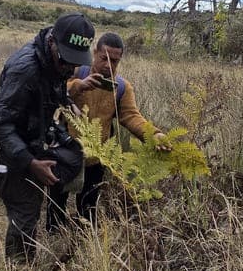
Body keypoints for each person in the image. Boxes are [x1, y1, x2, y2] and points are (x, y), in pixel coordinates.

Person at [0, 12, 95, 263]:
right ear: (52, 42)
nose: (69, 68)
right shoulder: (25, 70)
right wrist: (31, 163)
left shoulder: (56, 61)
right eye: (66, 60)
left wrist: (67, 102)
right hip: (8, 147)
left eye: (75, 62)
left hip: (34, 139)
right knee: (24, 212)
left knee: (70, 160)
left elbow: (54, 87)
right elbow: (0, 124)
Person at [46, 32, 168, 231]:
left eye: (115, 61)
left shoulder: (121, 88)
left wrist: (154, 134)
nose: (108, 65)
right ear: (95, 52)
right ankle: (54, 236)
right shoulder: (75, 71)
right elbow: (53, 92)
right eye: (104, 58)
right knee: (57, 199)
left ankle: (85, 239)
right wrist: (78, 86)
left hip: (97, 155)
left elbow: (131, 116)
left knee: (88, 204)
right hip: (66, 151)